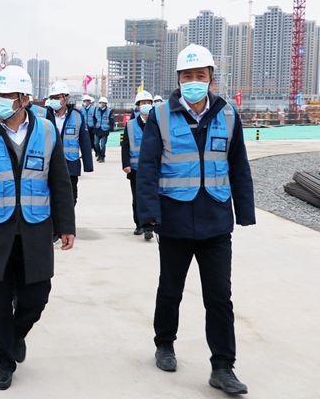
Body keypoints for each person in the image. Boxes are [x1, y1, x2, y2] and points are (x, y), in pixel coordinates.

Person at [136, 44, 255, 395]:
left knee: (219, 297)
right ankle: (164, 343)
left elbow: (238, 165)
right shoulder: (160, 116)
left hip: (216, 221)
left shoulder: (228, 115)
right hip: (174, 221)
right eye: (187, 76)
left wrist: (244, 211)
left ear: (211, 79)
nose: (193, 81)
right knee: (170, 289)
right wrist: (149, 215)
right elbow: (148, 168)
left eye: (200, 76)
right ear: (179, 79)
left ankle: (223, 367)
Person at [0, 65, 76, 391]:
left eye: (6, 95)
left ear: (25, 98)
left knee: (37, 297)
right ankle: (4, 361)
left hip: (36, 230)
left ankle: (17, 334)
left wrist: (66, 225)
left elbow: (60, 182)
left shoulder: (47, 132)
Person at [45, 81, 94, 205]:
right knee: (51, 197)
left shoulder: (77, 116)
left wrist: (88, 164)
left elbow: (84, 141)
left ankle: (68, 217)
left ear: (66, 98)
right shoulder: (45, 116)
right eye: (52, 98)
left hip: (70, 164)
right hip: (49, 164)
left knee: (71, 197)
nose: (54, 100)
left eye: (57, 97)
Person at [121, 90, 154, 240]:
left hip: (153, 168)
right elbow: (125, 146)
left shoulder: (157, 123)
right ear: (138, 106)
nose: (146, 105)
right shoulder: (130, 125)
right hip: (135, 169)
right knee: (137, 198)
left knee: (151, 197)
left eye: (148, 103)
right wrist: (126, 164)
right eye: (143, 103)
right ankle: (139, 224)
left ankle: (149, 227)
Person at [93, 97, 114, 162]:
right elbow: (94, 118)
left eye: (102, 103)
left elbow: (111, 120)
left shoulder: (109, 111)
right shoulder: (96, 110)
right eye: (100, 102)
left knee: (102, 144)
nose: (100, 104)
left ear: (105, 104)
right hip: (97, 129)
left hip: (105, 130)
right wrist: (95, 125)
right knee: (96, 143)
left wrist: (111, 128)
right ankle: (99, 155)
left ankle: (102, 157)